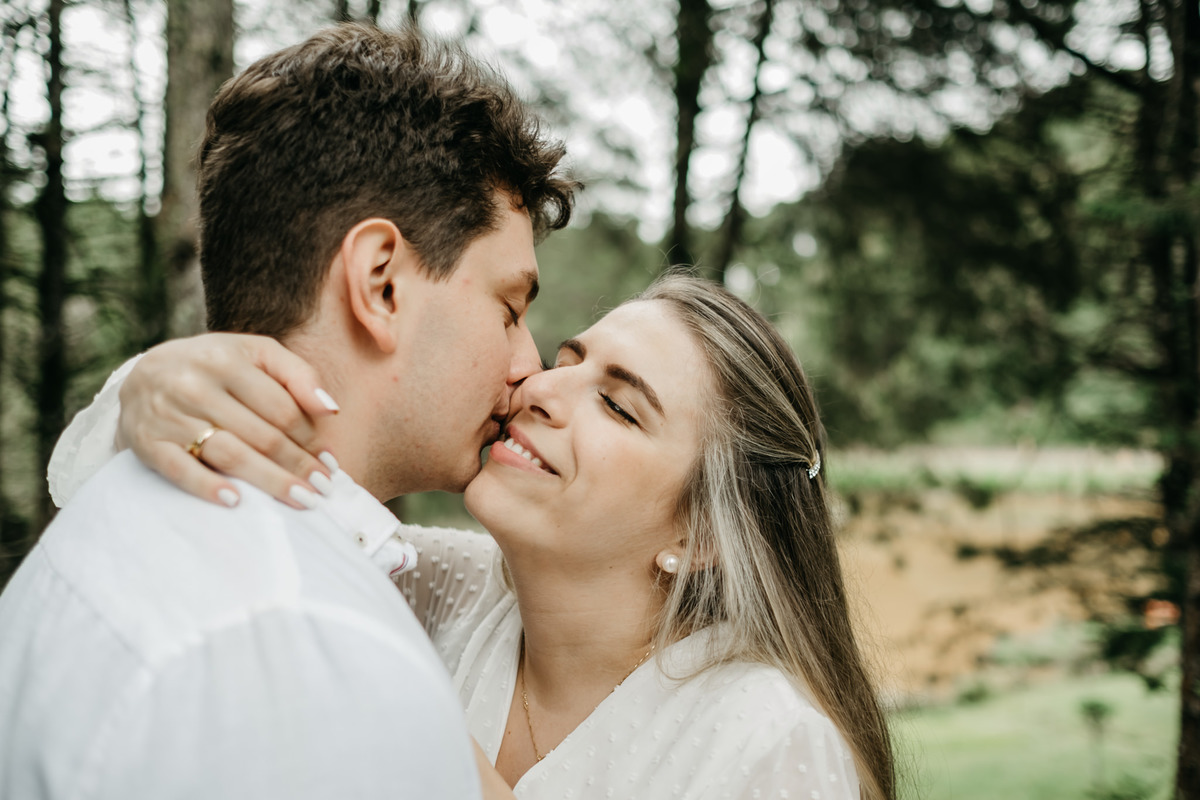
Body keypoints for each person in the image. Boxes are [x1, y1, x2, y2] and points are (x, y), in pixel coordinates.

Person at [0, 23, 576, 799]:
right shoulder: (305, 644)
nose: (529, 367)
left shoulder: (129, 493)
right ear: (380, 283)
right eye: (510, 308)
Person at [48, 275, 897, 800]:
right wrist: (152, 383)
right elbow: (183, 487)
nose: (541, 386)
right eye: (570, 358)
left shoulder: (765, 741)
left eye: (617, 402)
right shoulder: (440, 589)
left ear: (705, 531)